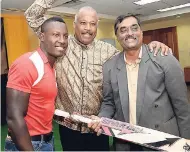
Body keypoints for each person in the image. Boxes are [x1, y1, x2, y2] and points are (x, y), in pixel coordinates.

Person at [25, 0, 171, 150]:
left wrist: (152, 46)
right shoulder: (61, 44)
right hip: (68, 127)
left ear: (97, 25)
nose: (88, 28)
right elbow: (31, 16)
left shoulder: (108, 52)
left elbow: (132, 53)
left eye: (92, 24)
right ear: (74, 24)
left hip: (98, 127)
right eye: (83, 23)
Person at [88, 14, 190, 151]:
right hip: (126, 141)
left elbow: (182, 107)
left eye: (134, 28)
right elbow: (109, 102)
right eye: (123, 30)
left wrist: (186, 143)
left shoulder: (164, 59)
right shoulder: (110, 67)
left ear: (141, 32)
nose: (129, 33)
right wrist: (102, 119)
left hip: (162, 140)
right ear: (117, 36)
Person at [5, 16, 68, 151]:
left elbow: (40, 104)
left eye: (65, 36)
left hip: (46, 140)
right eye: (56, 35)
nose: (62, 40)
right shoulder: (27, 64)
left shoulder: (51, 67)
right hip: (28, 143)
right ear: (42, 36)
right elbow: (14, 117)